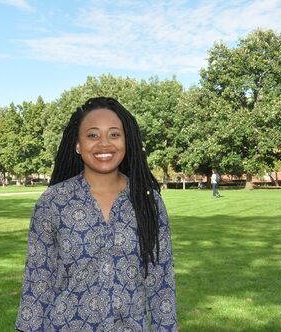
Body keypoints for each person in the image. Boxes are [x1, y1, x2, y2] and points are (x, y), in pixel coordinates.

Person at [15, 97, 177, 331]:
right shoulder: (53, 202)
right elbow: (38, 279)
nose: (104, 144)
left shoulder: (148, 202)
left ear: (127, 141)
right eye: (92, 135)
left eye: (114, 134)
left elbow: (162, 283)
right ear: (78, 144)